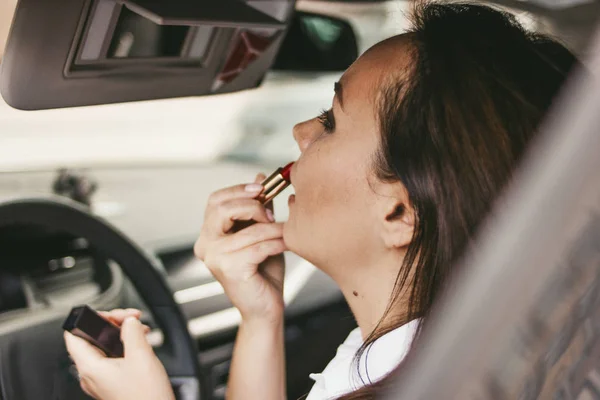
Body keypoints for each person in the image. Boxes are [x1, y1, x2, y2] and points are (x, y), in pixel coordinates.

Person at [64, 2, 580, 400]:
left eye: (331, 122)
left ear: (399, 212)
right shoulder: (427, 354)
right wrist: (261, 318)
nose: (300, 131)